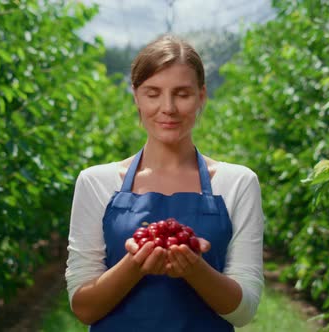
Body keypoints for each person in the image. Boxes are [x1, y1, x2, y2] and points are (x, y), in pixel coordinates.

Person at [65, 34, 265, 331]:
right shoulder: (96, 182)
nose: (168, 108)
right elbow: (83, 308)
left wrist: (195, 269)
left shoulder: (238, 182)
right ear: (135, 96)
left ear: (202, 96)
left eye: (182, 94)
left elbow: (244, 311)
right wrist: (135, 265)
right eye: (153, 93)